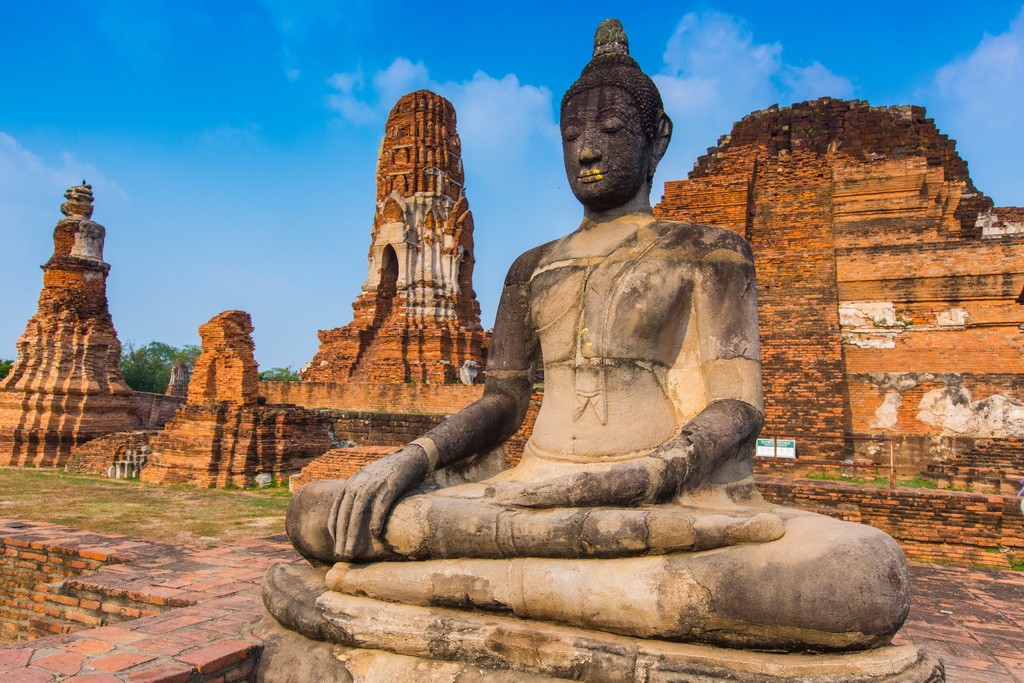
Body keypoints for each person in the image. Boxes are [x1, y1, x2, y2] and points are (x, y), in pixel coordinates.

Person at [282, 19, 912, 652]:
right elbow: (501, 405)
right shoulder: (531, 268)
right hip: (527, 497)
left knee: (861, 577)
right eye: (572, 134)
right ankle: (591, 604)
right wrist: (410, 458)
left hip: (654, 503)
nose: (587, 149)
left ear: (657, 139)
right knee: (319, 514)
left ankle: (479, 596)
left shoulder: (707, 252)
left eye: (610, 132)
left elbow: (738, 405)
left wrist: (656, 472)